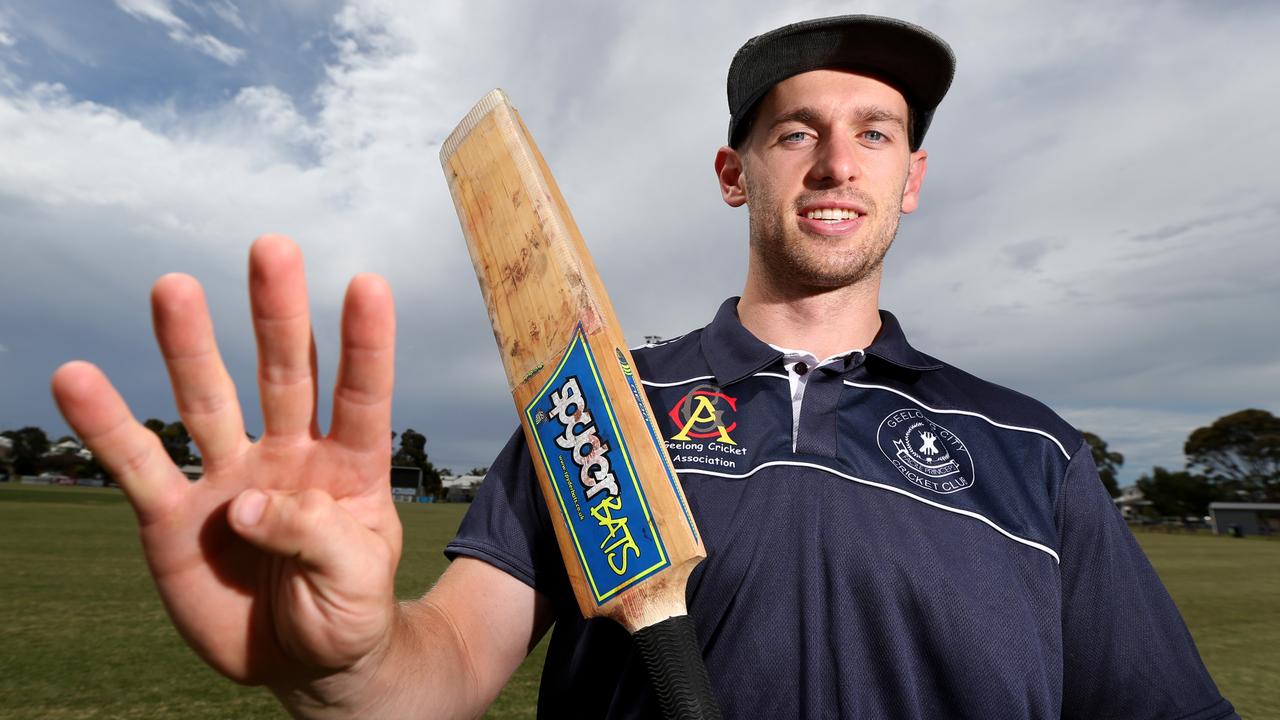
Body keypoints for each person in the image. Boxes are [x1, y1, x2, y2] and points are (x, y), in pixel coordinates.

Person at [50, 15, 1235, 720]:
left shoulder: (1024, 446)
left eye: (873, 133)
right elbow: (452, 661)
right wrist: (348, 667)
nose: (834, 161)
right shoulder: (593, 408)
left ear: (910, 178)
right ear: (734, 174)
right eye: (794, 132)